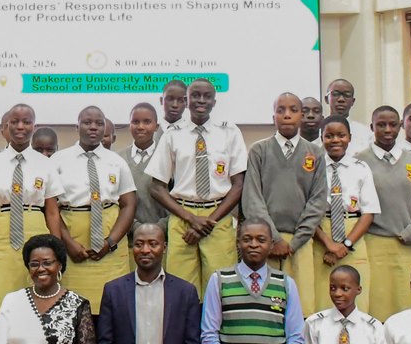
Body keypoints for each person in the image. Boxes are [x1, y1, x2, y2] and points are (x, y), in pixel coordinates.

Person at [147, 79, 248, 294]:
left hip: (218, 218)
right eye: (195, 96)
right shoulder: (173, 134)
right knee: (180, 289)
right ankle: (185, 330)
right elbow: (156, 187)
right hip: (182, 220)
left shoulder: (229, 132)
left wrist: (209, 221)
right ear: (186, 100)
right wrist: (191, 219)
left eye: (207, 96)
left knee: (222, 287)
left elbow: (238, 185)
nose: (201, 100)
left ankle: (216, 329)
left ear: (214, 101)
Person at [241, 92, 324, 331]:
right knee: (266, 306)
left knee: (301, 309)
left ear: (302, 115)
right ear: (273, 116)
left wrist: (295, 241)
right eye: (281, 110)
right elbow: (252, 198)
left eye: (293, 110)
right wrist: (273, 239)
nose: (287, 115)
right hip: (265, 244)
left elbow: (317, 201)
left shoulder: (315, 153)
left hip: (300, 243)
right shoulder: (259, 151)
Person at [0, 104, 66, 320]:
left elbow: (53, 212)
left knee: (37, 306)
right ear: (6, 125)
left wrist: (58, 253)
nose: (20, 126)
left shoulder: (45, 164)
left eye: (26, 122)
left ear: (34, 126)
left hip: (36, 233)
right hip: (1, 239)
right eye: (15, 122)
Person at [55, 105, 136, 318]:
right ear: (77, 126)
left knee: (113, 308)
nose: (93, 127)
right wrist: (68, 244)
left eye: (99, 123)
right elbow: (51, 207)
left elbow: (129, 204)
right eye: (87, 122)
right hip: (72, 245)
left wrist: (110, 243)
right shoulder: (58, 160)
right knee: (73, 310)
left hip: (111, 247)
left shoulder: (117, 161)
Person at [356, 105, 411, 321]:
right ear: (372, 127)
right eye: (381, 125)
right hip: (373, 244)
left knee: (407, 309)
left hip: (407, 245)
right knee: (377, 309)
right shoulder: (361, 161)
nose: (387, 130)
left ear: (399, 127)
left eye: (392, 125)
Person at [304, 115, 378, 319]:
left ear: (349, 138)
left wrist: (343, 245)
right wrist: (328, 244)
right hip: (320, 236)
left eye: (341, 135)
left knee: (357, 305)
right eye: (329, 136)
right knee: (321, 304)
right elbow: (306, 212)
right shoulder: (312, 169)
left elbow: (368, 213)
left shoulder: (361, 168)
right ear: (322, 138)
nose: (335, 140)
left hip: (353, 236)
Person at [122, 103, 167, 231]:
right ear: (129, 125)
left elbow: (178, 199)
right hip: (127, 237)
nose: (141, 127)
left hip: (164, 239)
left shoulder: (168, 157)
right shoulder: (118, 160)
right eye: (135, 122)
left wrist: (159, 228)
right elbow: (116, 203)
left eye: (147, 122)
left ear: (156, 126)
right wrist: (136, 227)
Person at [325, 78, 367, 155]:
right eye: (335, 94)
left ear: (353, 101)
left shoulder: (365, 133)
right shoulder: (318, 130)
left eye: (347, 95)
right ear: (326, 99)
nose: (341, 99)